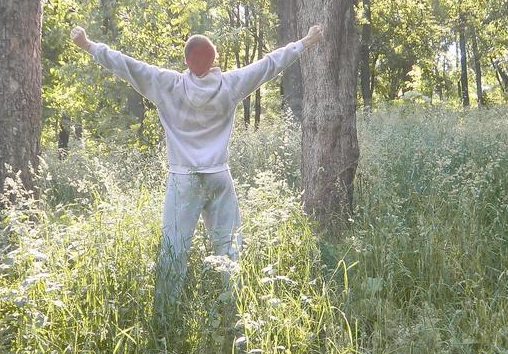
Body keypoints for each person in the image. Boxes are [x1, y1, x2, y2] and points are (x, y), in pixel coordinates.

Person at [70, 23, 323, 318]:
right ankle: (234, 309)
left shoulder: (168, 84)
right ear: (213, 59)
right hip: (218, 176)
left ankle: (164, 317)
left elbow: (127, 65)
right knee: (228, 246)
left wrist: (89, 45)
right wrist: (303, 43)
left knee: (174, 248)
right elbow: (268, 65)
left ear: (187, 60)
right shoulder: (229, 84)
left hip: (184, 178)